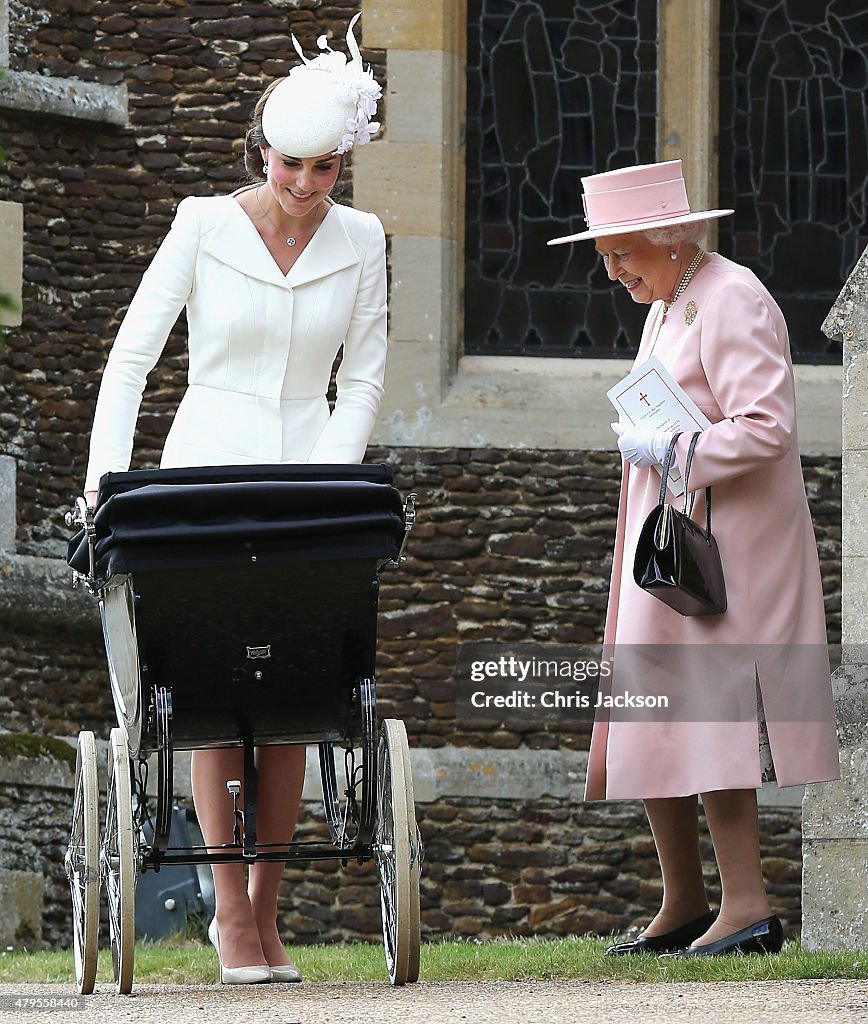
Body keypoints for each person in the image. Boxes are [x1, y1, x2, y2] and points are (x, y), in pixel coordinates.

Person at [83, 15, 387, 983]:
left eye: (324, 169)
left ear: (345, 165)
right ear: (262, 153)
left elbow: (367, 376)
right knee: (209, 687)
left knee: (295, 693)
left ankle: (265, 907)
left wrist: (335, 480)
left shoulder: (367, 238)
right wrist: (104, 482)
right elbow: (133, 358)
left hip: (311, 478)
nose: (304, 186)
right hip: (204, 466)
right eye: (290, 164)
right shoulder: (202, 223)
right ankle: (227, 909)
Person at [548, 160, 839, 957]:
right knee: (656, 714)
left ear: (672, 236)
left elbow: (769, 427)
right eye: (604, 256)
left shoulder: (733, 294)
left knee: (712, 720)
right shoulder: (672, 297)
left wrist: (671, 448)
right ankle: (682, 904)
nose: (612, 272)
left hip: (726, 550)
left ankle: (747, 906)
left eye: (622, 253)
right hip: (671, 537)